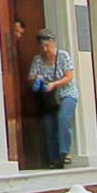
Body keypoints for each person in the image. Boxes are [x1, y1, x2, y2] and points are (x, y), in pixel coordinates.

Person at [29, 38, 78, 166]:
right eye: (42, 47)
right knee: (48, 125)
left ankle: (64, 152)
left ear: (54, 43)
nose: (45, 50)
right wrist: (37, 81)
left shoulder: (63, 56)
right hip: (48, 98)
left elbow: (69, 76)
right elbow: (31, 77)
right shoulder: (38, 59)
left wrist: (54, 84)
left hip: (66, 93)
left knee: (63, 118)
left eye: (47, 46)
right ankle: (54, 159)